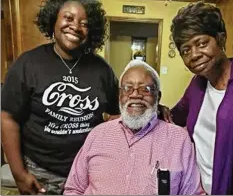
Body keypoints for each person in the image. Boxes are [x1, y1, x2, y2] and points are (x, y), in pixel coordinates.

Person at [1, 0, 119, 194]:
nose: (76, 26)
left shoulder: (101, 69)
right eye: (68, 18)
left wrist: (153, 107)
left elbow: (118, 112)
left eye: (85, 23)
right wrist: (19, 173)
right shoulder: (27, 64)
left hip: (87, 172)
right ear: (54, 20)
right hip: (41, 173)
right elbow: (7, 118)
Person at [160, 2, 233, 194]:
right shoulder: (198, 85)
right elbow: (175, 117)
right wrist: (155, 109)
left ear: (220, 39)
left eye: (202, 43)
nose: (194, 55)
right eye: (186, 50)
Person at [63, 60, 203, 195]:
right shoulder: (98, 134)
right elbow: (73, 189)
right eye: (127, 88)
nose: (135, 95)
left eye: (145, 89)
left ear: (158, 97)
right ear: (120, 96)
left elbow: (192, 193)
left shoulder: (179, 140)